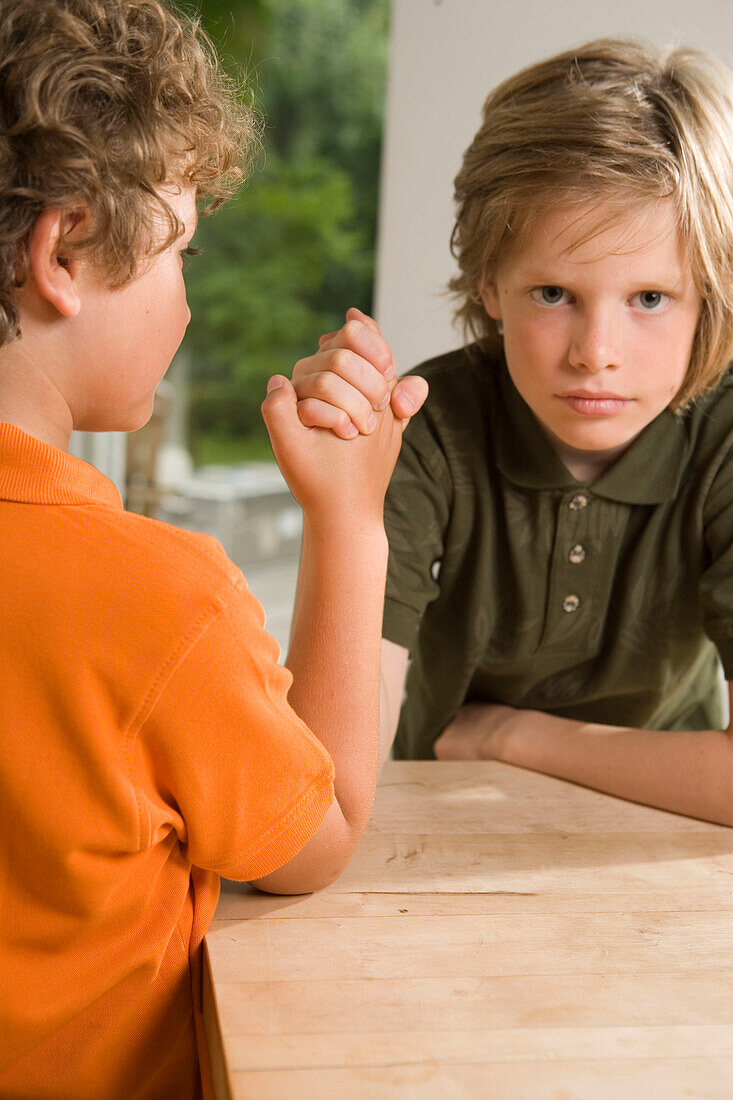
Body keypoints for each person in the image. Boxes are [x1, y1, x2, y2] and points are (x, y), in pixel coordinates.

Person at [0, 1, 427, 1097]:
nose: (188, 302)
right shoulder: (149, 601)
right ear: (65, 252)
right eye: (183, 250)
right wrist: (349, 518)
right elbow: (316, 835)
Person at [291, 37, 733, 828]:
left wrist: (513, 734)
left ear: (710, 293)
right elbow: (315, 794)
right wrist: (340, 511)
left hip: (675, 828)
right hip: (437, 816)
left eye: (649, 299)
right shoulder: (423, 429)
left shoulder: (726, 434)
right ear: (490, 282)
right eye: (555, 292)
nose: (594, 354)